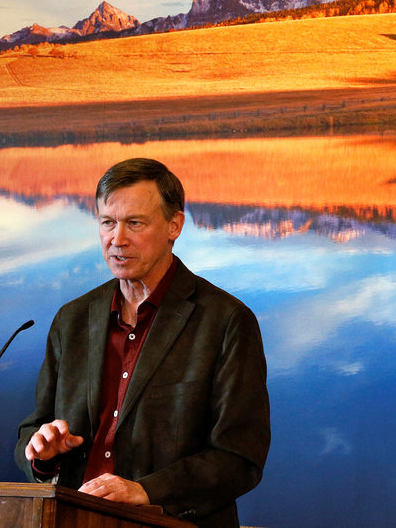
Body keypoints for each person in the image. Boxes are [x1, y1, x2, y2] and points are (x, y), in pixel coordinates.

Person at [16, 158, 270, 528]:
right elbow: (34, 428)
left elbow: (239, 458)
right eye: (107, 222)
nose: (117, 239)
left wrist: (146, 491)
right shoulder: (72, 320)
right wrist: (42, 453)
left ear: (174, 225)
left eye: (134, 223)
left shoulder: (227, 321)